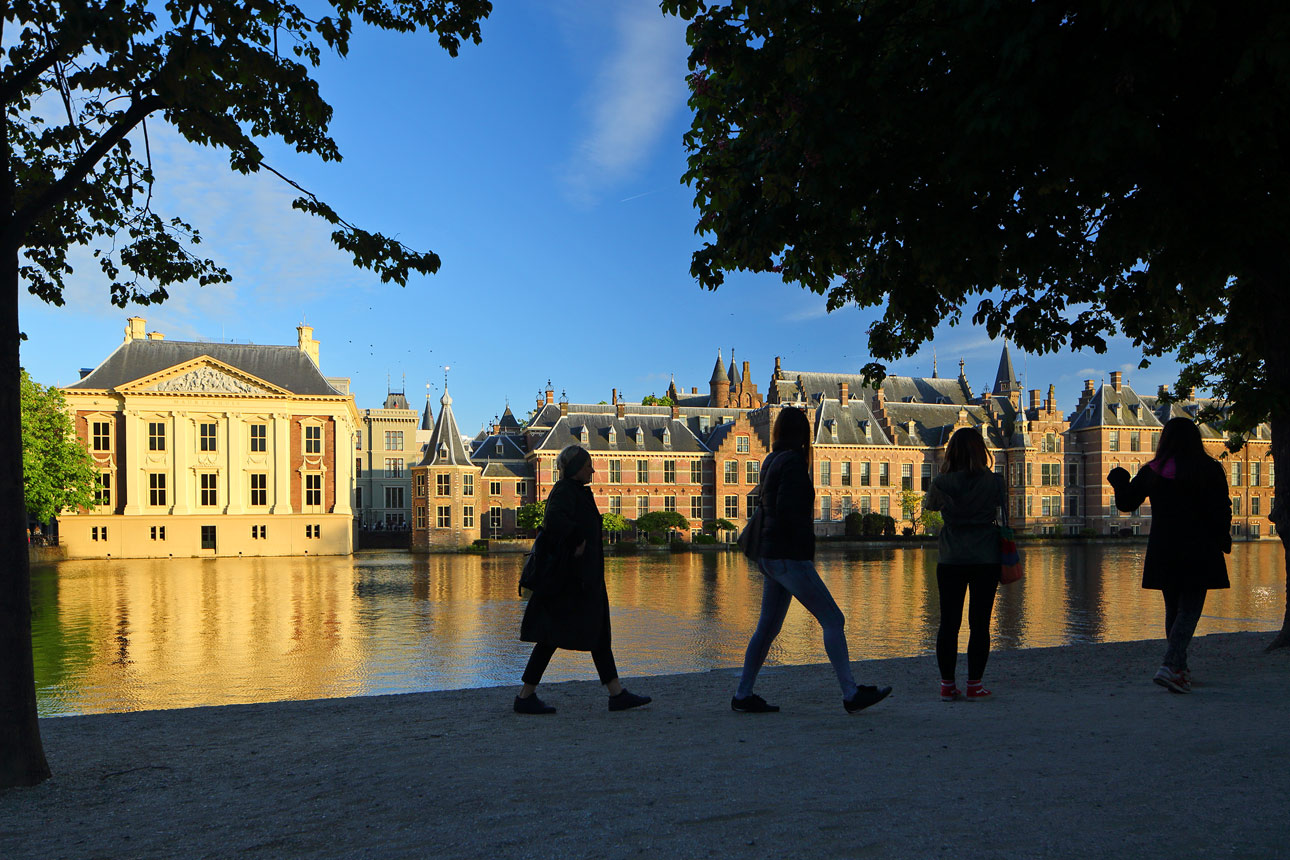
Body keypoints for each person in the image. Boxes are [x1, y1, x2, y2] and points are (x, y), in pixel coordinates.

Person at [731, 407, 891, 714]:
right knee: (833, 619)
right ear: (802, 434)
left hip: (770, 554)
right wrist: (802, 549)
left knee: (766, 629)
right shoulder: (791, 462)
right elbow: (788, 512)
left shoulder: (771, 460)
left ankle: (742, 694)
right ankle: (850, 693)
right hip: (787, 555)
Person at [514, 444, 651, 714]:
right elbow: (553, 520)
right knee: (551, 636)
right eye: (588, 465)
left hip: (582, 579)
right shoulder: (566, 490)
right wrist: (576, 539)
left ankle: (616, 693)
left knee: (596, 634)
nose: (593, 469)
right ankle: (525, 696)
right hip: (571, 581)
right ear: (577, 468)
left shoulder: (574, 490)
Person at [1108, 416, 1231, 694]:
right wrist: (1223, 538)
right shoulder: (1209, 469)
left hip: (1164, 549)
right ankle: (1169, 665)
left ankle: (1179, 671)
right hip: (1199, 548)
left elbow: (1127, 503)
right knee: (1189, 611)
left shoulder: (1154, 470)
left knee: (1173, 610)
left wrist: (1119, 481)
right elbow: (1222, 508)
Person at [924, 427, 1008, 702]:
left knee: (948, 623)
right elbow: (1001, 508)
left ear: (952, 452)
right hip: (986, 556)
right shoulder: (995, 482)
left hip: (951, 557)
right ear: (981, 450)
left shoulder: (942, 482)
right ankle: (975, 684)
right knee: (980, 624)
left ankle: (947, 685)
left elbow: (930, 507)